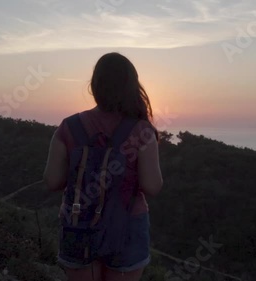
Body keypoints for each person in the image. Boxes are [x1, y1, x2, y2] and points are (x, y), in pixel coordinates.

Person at [43, 52, 163, 281]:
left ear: (94, 86)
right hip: (126, 226)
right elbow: (152, 186)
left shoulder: (69, 127)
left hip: (78, 224)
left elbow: (51, 181)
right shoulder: (142, 131)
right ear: (131, 87)